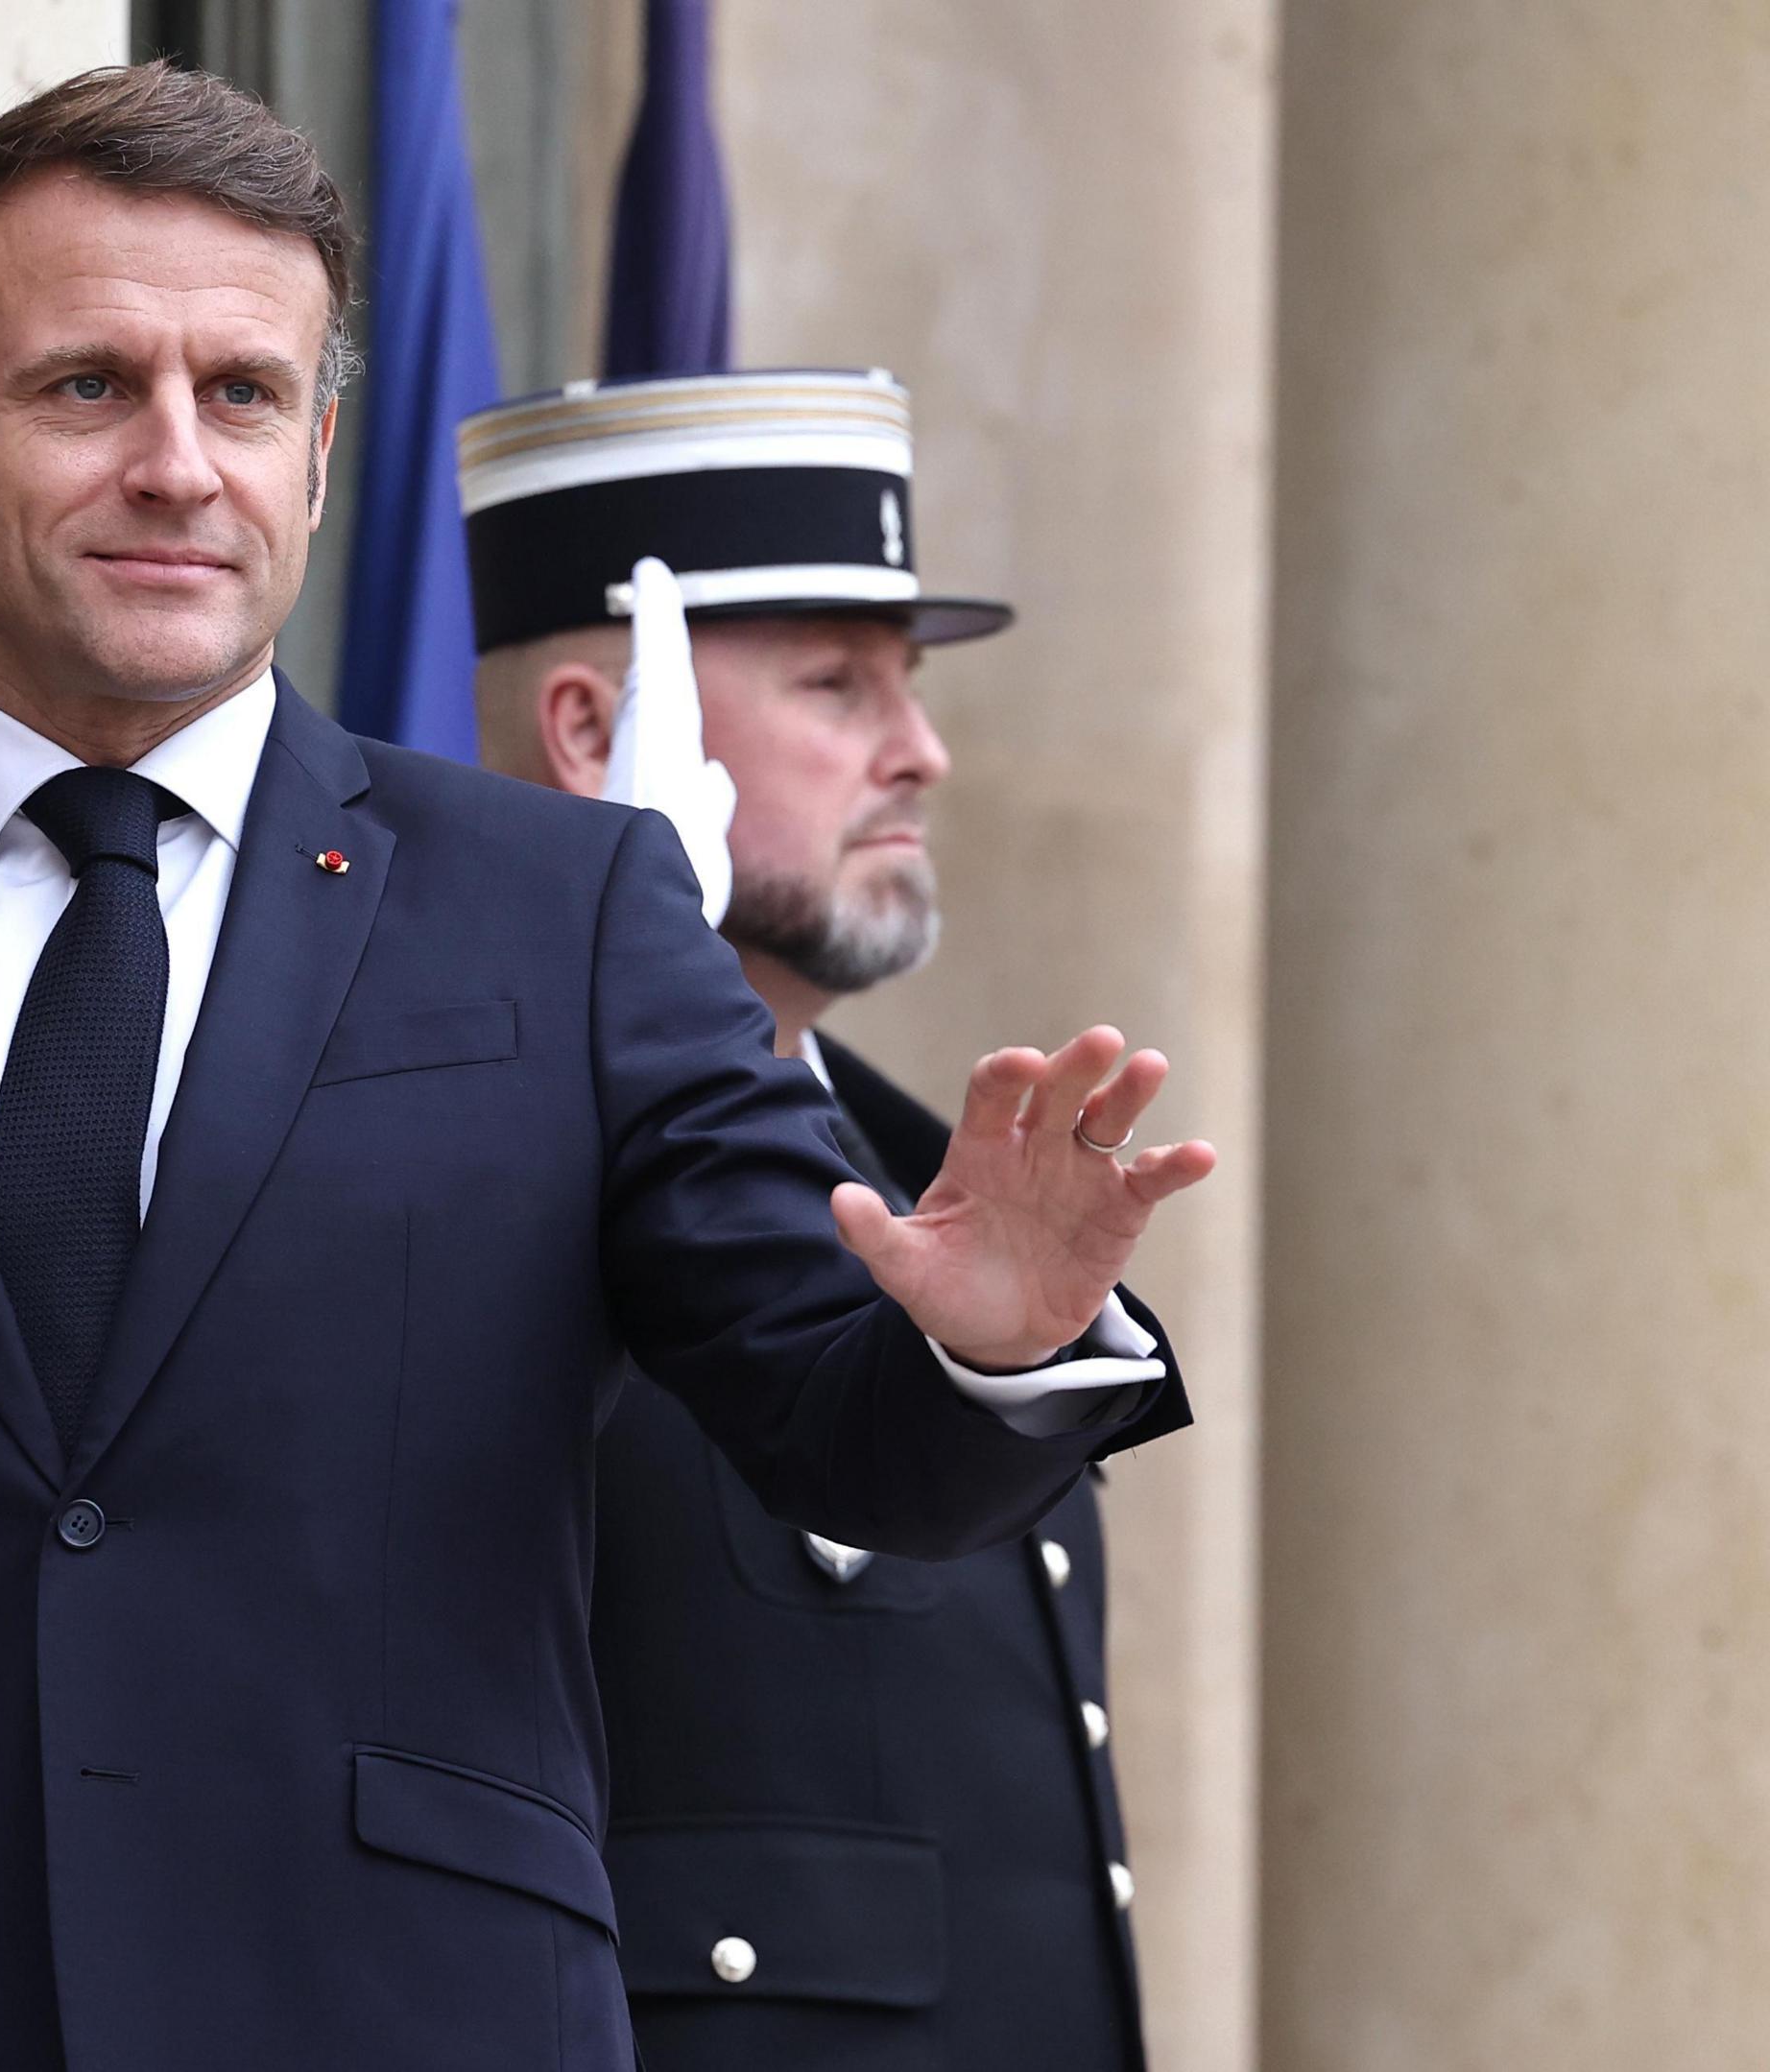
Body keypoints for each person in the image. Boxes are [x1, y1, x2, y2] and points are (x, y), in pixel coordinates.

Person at [0, 63, 1211, 2070]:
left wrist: (1002, 1346)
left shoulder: (570, 911)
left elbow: (830, 1416)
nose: (179, 463)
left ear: (322, 457)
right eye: (89, 387)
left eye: (244, 395)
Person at [469, 368, 1155, 2071]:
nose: (921, 748)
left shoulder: (909, 1161)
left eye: (909, 685)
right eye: (839, 684)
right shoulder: (465, 1153)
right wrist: (627, 957)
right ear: (593, 732)